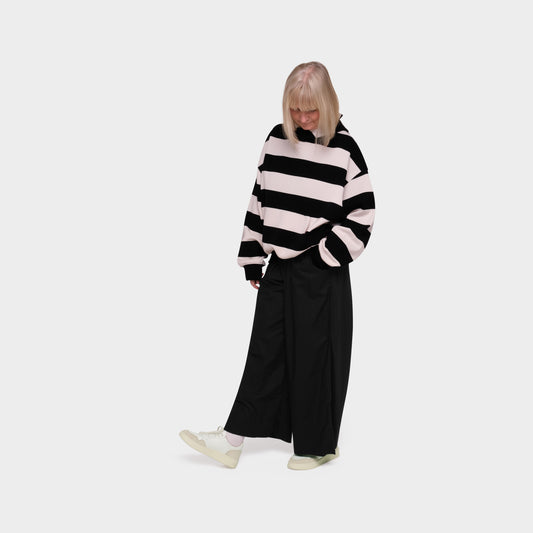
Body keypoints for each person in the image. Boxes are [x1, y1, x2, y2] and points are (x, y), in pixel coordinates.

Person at [179, 61, 375, 470]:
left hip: (320, 270)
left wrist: (324, 256)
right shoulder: (275, 139)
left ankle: (317, 446)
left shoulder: (345, 150)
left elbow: (362, 214)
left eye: (311, 110)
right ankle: (232, 440)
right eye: (295, 109)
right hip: (280, 268)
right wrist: (253, 258)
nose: (303, 118)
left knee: (315, 359)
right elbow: (260, 199)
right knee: (265, 352)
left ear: (327, 103)